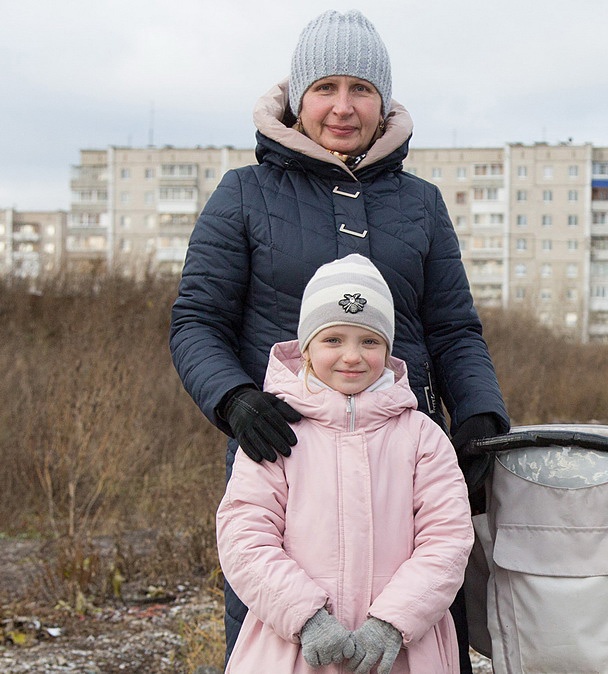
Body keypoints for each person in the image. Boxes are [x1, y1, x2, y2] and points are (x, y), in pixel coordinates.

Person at [169, 9, 509, 670]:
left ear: (384, 103)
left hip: (403, 471)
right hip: (287, 466)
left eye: (362, 90)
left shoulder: (421, 204)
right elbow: (197, 322)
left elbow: (454, 329)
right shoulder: (242, 195)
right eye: (325, 88)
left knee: (417, 638)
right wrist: (235, 400)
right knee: (285, 641)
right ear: (298, 99)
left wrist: (478, 417)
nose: (343, 107)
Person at [217, 255, 474, 673]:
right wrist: (305, 616)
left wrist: (394, 621)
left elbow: (448, 540)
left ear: (388, 351)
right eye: (333, 339)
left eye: (369, 341)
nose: (352, 356)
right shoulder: (277, 433)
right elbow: (244, 537)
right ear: (305, 348)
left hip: (403, 653)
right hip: (292, 651)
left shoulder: (423, 437)